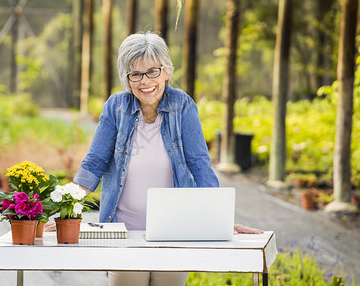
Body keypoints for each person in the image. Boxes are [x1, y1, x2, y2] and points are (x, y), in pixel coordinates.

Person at [47, 32, 262, 286]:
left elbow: (200, 166)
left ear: (166, 71)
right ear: (127, 79)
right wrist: (62, 210)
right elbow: (94, 163)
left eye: (152, 71)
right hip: (122, 234)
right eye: (135, 74)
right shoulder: (116, 107)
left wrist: (218, 219)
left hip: (175, 232)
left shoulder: (182, 105)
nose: (145, 81)